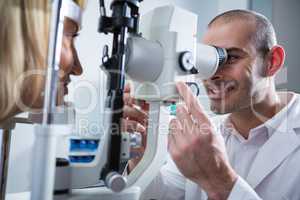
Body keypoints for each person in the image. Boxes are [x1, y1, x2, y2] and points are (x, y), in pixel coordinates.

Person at [133, 9, 300, 200]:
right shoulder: (205, 133)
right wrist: (141, 155)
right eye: (208, 60)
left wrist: (219, 181)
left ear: (272, 61)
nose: (212, 74)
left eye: (231, 58)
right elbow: (164, 194)